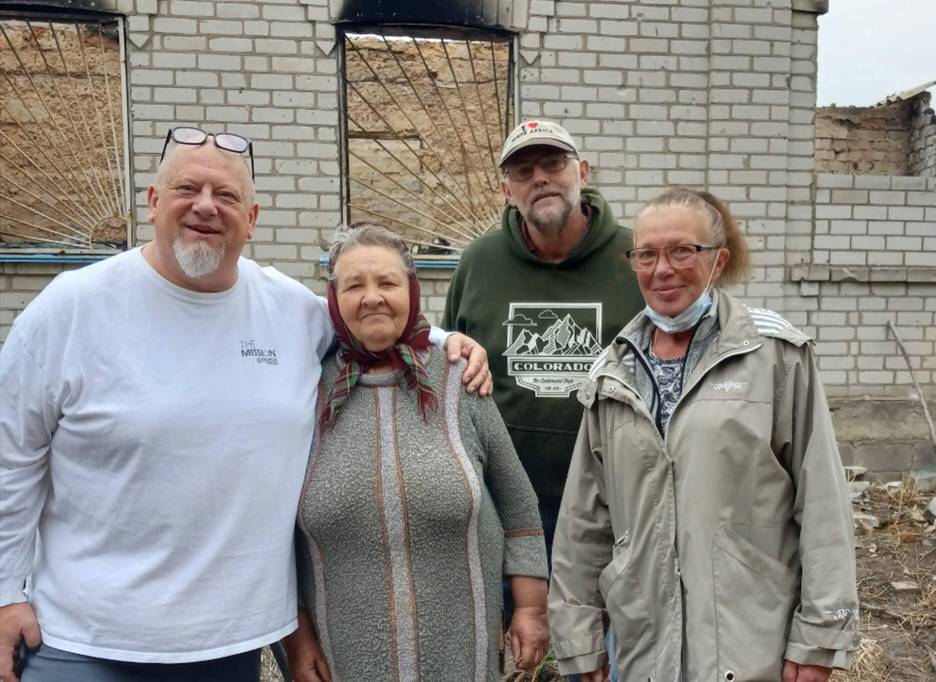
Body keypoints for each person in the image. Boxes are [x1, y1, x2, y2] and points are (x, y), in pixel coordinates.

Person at [0, 127, 490, 682]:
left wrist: (447, 342)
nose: (206, 207)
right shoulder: (70, 307)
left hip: (232, 644)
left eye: (227, 196)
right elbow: (11, 459)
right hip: (86, 639)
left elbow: (372, 321)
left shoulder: (289, 311)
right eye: (188, 189)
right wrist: (3, 593)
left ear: (252, 218)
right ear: (154, 202)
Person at [548, 187, 860, 682]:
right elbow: (584, 520)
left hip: (749, 640)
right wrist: (579, 637)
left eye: (682, 251)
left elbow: (822, 501)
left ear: (718, 261)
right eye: (646, 254)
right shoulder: (614, 371)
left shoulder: (775, 356)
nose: (662, 268)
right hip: (641, 643)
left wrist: (821, 635)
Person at [281, 223, 549, 681]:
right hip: (340, 655)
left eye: (387, 282)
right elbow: (272, 535)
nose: (372, 297)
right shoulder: (301, 391)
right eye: (354, 285)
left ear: (411, 290)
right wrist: (296, 635)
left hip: (462, 653)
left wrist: (530, 609)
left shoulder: (459, 380)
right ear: (333, 299)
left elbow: (518, 503)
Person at [443, 120, 644, 559]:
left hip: (617, 504)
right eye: (522, 171)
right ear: (507, 191)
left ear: (583, 172)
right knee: (522, 627)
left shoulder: (637, 259)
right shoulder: (479, 262)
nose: (540, 178)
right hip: (507, 506)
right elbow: (451, 370)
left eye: (553, 163)